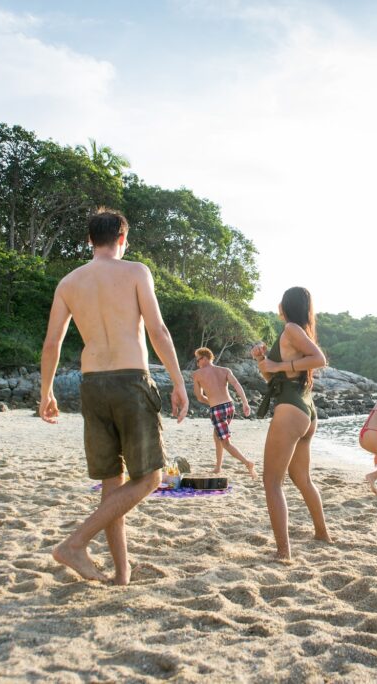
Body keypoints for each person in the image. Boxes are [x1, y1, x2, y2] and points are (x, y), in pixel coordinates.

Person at [40, 209, 189, 585]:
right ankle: (75, 543)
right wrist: (179, 383)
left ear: (90, 240)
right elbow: (158, 330)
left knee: (112, 482)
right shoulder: (136, 272)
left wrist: (47, 392)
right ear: (122, 239)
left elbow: (52, 342)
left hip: (92, 384)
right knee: (151, 478)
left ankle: (121, 574)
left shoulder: (69, 282)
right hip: (130, 381)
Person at [252, 286, 331, 560]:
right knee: (301, 478)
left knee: (272, 482)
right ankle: (322, 534)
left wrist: (276, 366)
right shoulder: (298, 332)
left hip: (291, 410)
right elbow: (272, 379)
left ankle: (283, 552)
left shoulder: (291, 330)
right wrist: (263, 360)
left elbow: (320, 360)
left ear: (284, 305)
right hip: (305, 410)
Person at [191, 347, 256, 479]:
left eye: (198, 360)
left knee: (225, 442)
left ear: (204, 358)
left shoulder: (197, 374)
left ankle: (247, 463)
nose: (197, 363)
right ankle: (218, 467)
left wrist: (213, 403)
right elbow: (237, 385)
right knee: (217, 436)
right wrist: (245, 403)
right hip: (229, 406)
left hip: (218, 409)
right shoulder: (225, 370)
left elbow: (199, 397)